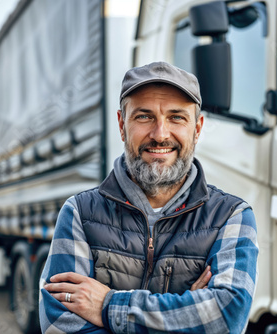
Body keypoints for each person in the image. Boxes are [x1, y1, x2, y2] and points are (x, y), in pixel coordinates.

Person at [40, 61, 259, 334]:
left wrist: (107, 305)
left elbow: (227, 318)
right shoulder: (79, 213)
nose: (160, 135)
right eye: (144, 117)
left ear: (198, 128)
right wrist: (186, 317)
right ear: (122, 124)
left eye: (176, 117)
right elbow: (60, 326)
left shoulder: (231, 216)